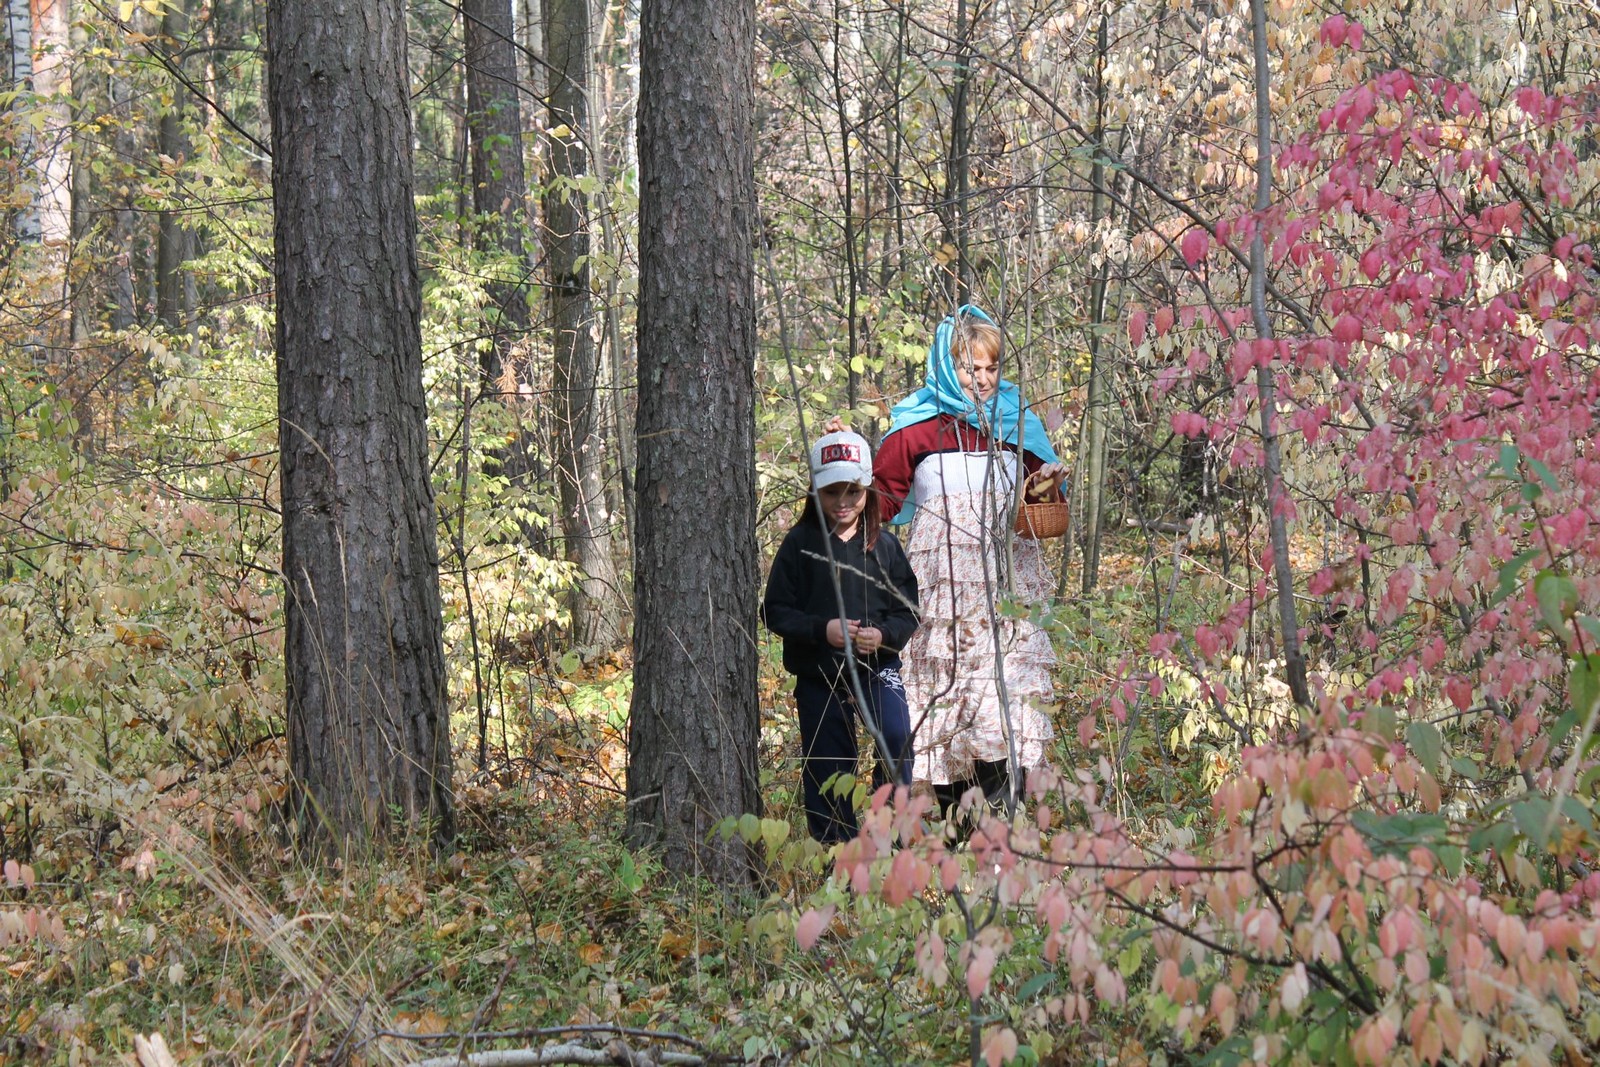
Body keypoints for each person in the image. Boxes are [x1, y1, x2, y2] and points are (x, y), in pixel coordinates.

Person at [873, 305, 1064, 815]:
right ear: (945, 363)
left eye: (990, 368)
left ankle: (998, 830)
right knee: (948, 700)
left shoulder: (1016, 421)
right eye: (968, 367)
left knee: (1000, 707)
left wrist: (1046, 484)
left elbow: (1043, 501)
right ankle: (946, 828)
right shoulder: (916, 429)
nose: (981, 379)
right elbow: (881, 502)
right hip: (941, 596)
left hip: (1005, 596)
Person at [762, 430, 920, 844]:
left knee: (897, 738)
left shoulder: (883, 546)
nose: (844, 501)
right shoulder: (800, 545)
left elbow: (908, 611)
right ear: (816, 492)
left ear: (868, 488)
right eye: (832, 492)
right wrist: (821, 630)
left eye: (853, 490)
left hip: (877, 668)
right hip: (819, 675)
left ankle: (888, 833)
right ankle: (837, 850)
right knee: (829, 761)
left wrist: (883, 636)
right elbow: (775, 610)